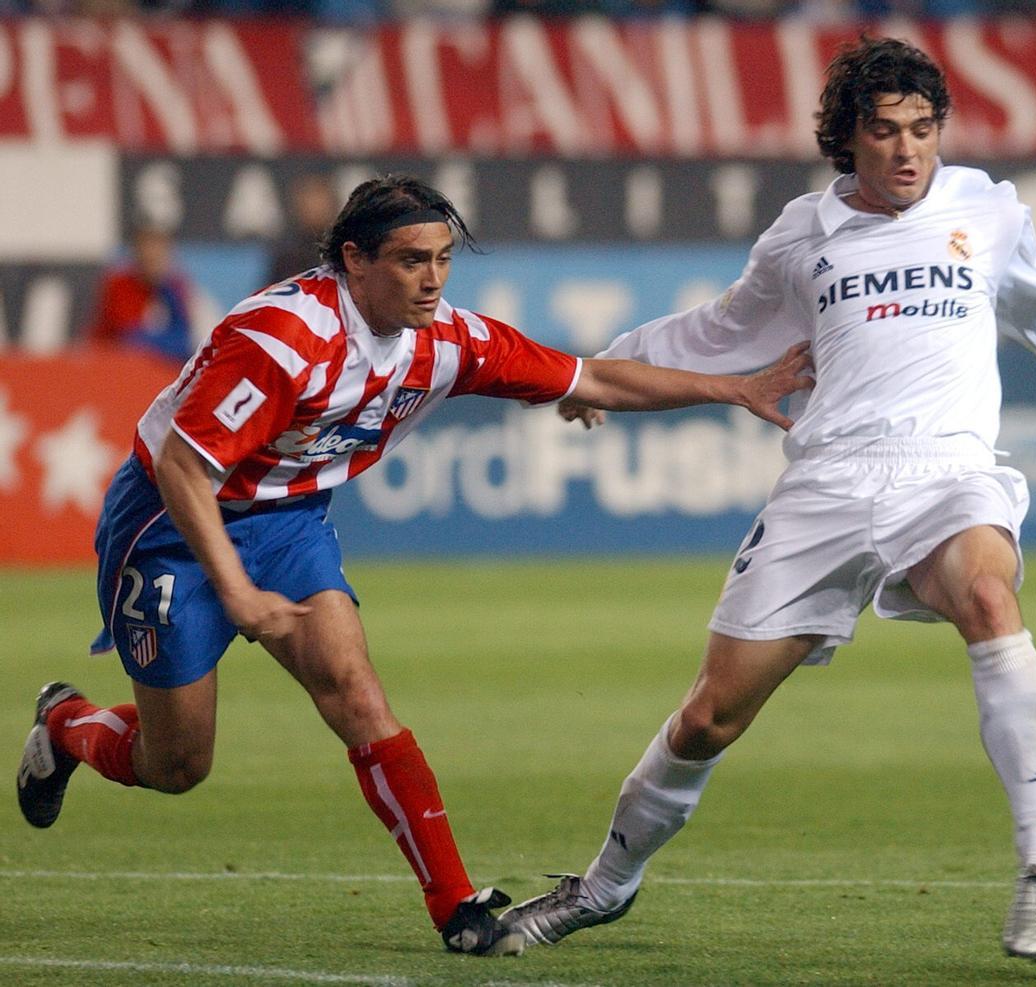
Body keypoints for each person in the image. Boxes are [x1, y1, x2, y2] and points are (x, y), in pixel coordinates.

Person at [499, 37, 1036, 962]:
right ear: (847, 142)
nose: (908, 150)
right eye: (885, 132)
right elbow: (721, 329)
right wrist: (605, 367)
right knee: (709, 716)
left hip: (947, 466)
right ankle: (604, 886)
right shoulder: (801, 236)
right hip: (828, 481)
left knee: (988, 595)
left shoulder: (982, 210)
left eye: (924, 130)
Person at [16, 174, 813, 957]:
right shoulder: (282, 338)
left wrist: (732, 387)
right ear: (354, 261)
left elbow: (593, 375)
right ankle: (67, 722)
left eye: (442, 259)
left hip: (287, 521)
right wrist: (235, 589)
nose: (432, 279)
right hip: (170, 529)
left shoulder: (447, 341)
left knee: (356, 690)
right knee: (177, 764)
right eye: (410, 261)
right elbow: (184, 468)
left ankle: (457, 906)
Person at [84, 223, 203, 365]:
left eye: (158, 250)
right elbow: (130, 339)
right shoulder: (120, 285)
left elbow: (183, 339)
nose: (152, 255)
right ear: (136, 252)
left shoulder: (174, 287)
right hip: (111, 364)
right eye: (146, 249)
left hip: (154, 367)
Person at [266, 173, 340, 287]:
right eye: (309, 199)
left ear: (332, 203)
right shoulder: (287, 256)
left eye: (319, 198)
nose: (315, 206)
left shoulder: (345, 251)